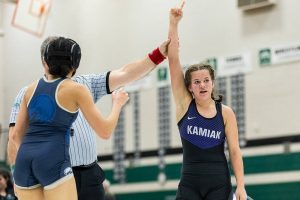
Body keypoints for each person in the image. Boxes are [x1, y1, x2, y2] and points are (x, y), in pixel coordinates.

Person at [7, 36, 169, 200]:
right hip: (57, 170)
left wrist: (158, 54)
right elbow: (13, 140)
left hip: (81, 172)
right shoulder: (70, 89)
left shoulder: (34, 90)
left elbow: (126, 73)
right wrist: (117, 105)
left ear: (45, 60)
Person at [167, 2, 247, 200]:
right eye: (196, 82)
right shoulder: (184, 106)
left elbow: (235, 151)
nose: (202, 85)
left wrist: (241, 187)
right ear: (189, 87)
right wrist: (173, 24)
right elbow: (173, 61)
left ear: (212, 83)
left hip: (219, 185)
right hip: (189, 185)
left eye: (206, 81)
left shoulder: (225, 113)